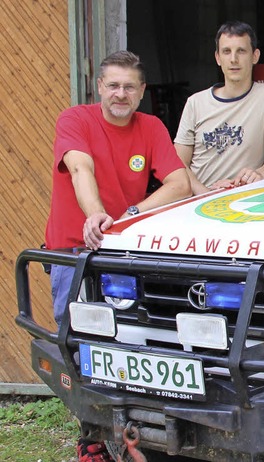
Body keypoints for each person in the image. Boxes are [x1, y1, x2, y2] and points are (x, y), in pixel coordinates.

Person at [46, 50, 192, 329]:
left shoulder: (151, 126)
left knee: (131, 336)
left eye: (129, 87)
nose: (121, 94)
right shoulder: (74, 119)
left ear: (142, 91)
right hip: (75, 251)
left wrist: (133, 213)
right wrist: (96, 215)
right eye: (113, 86)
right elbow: (80, 169)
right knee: (76, 342)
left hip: (124, 252)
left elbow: (180, 184)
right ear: (100, 86)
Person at [174, 21, 264, 194]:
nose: (233, 59)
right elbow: (177, 163)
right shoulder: (195, 103)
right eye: (226, 51)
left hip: (242, 199)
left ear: (255, 56)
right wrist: (206, 194)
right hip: (196, 202)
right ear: (218, 58)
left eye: (241, 51)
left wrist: (259, 173)